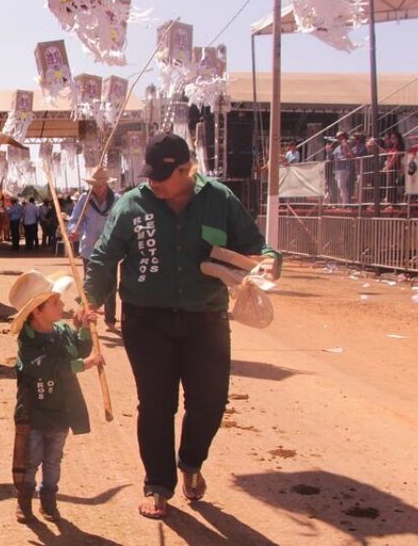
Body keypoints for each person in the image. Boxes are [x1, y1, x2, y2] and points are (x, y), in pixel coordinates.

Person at [83, 134, 280, 519]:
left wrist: (268, 262)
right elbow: (106, 255)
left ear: (186, 169)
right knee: (156, 405)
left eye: (163, 175)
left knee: (210, 402)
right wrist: (90, 298)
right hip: (146, 320)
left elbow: (256, 245)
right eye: (150, 175)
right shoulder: (132, 204)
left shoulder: (220, 200)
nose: (153, 182)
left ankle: (190, 463)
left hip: (206, 319)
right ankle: (158, 484)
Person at [8, 270, 103, 524]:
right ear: (37, 311)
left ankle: (48, 500)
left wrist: (83, 329)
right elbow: (52, 366)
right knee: (32, 459)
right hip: (34, 414)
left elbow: (78, 349)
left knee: (53, 460)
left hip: (60, 412)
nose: (63, 305)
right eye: (55, 302)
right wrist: (85, 364)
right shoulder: (28, 344)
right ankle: (25, 500)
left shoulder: (61, 331)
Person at [68, 166, 119, 330]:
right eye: (94, 185)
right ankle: (87, 317)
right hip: (89, 248)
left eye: (100, 184)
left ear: (106, 184)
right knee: (89, 285)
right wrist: (74, 231)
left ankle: (110, 319)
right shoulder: (85, 199)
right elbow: (76, 219)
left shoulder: (117, 199)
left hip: (108, 249)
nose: (97, 188)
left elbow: (121, 222)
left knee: (110, 284)